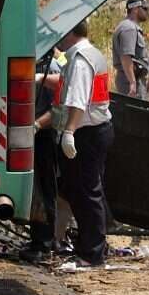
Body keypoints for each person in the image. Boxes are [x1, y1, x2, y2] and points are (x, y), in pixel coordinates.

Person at [55, 19, 113, 267]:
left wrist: (69, 131)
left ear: (69, 32)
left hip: (85, 132)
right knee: (84, 189)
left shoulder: (80, 60)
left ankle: (92, 253)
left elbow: (78, 98)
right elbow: (66, 76)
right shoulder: (91, 53)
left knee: (86, 192)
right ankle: (91, 246)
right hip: (97, 130)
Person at [20, 54, 63, 263]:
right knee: (36, 189)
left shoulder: (51, 69)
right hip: (32, 133)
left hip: (44, 135)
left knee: (45, 190)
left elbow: (57, 110)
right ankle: (39, 239)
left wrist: (37, 125)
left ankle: (44, 243)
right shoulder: (35, 64)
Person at [112, 0, 149, 98]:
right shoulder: (129, 28)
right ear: (135, 9)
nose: (148, 12)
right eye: (145, 9)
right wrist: (132, 82)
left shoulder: (130, 26)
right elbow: (126, 57)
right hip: (130, 81)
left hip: (133, 79)